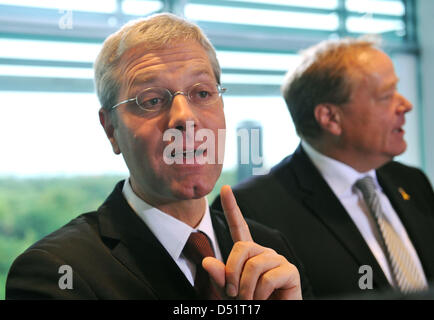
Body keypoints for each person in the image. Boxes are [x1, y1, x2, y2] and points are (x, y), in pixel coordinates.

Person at [6, 13, 310, 300]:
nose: (185, 117)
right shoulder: (55, 271)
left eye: (202, 93)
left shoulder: (270, 250)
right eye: (151, 100)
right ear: (111, 128)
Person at [212, 37, 434, 298]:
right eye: (386, 96)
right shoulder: (252, 209)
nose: (406, 106)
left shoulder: (412, 181)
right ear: (330, 118)